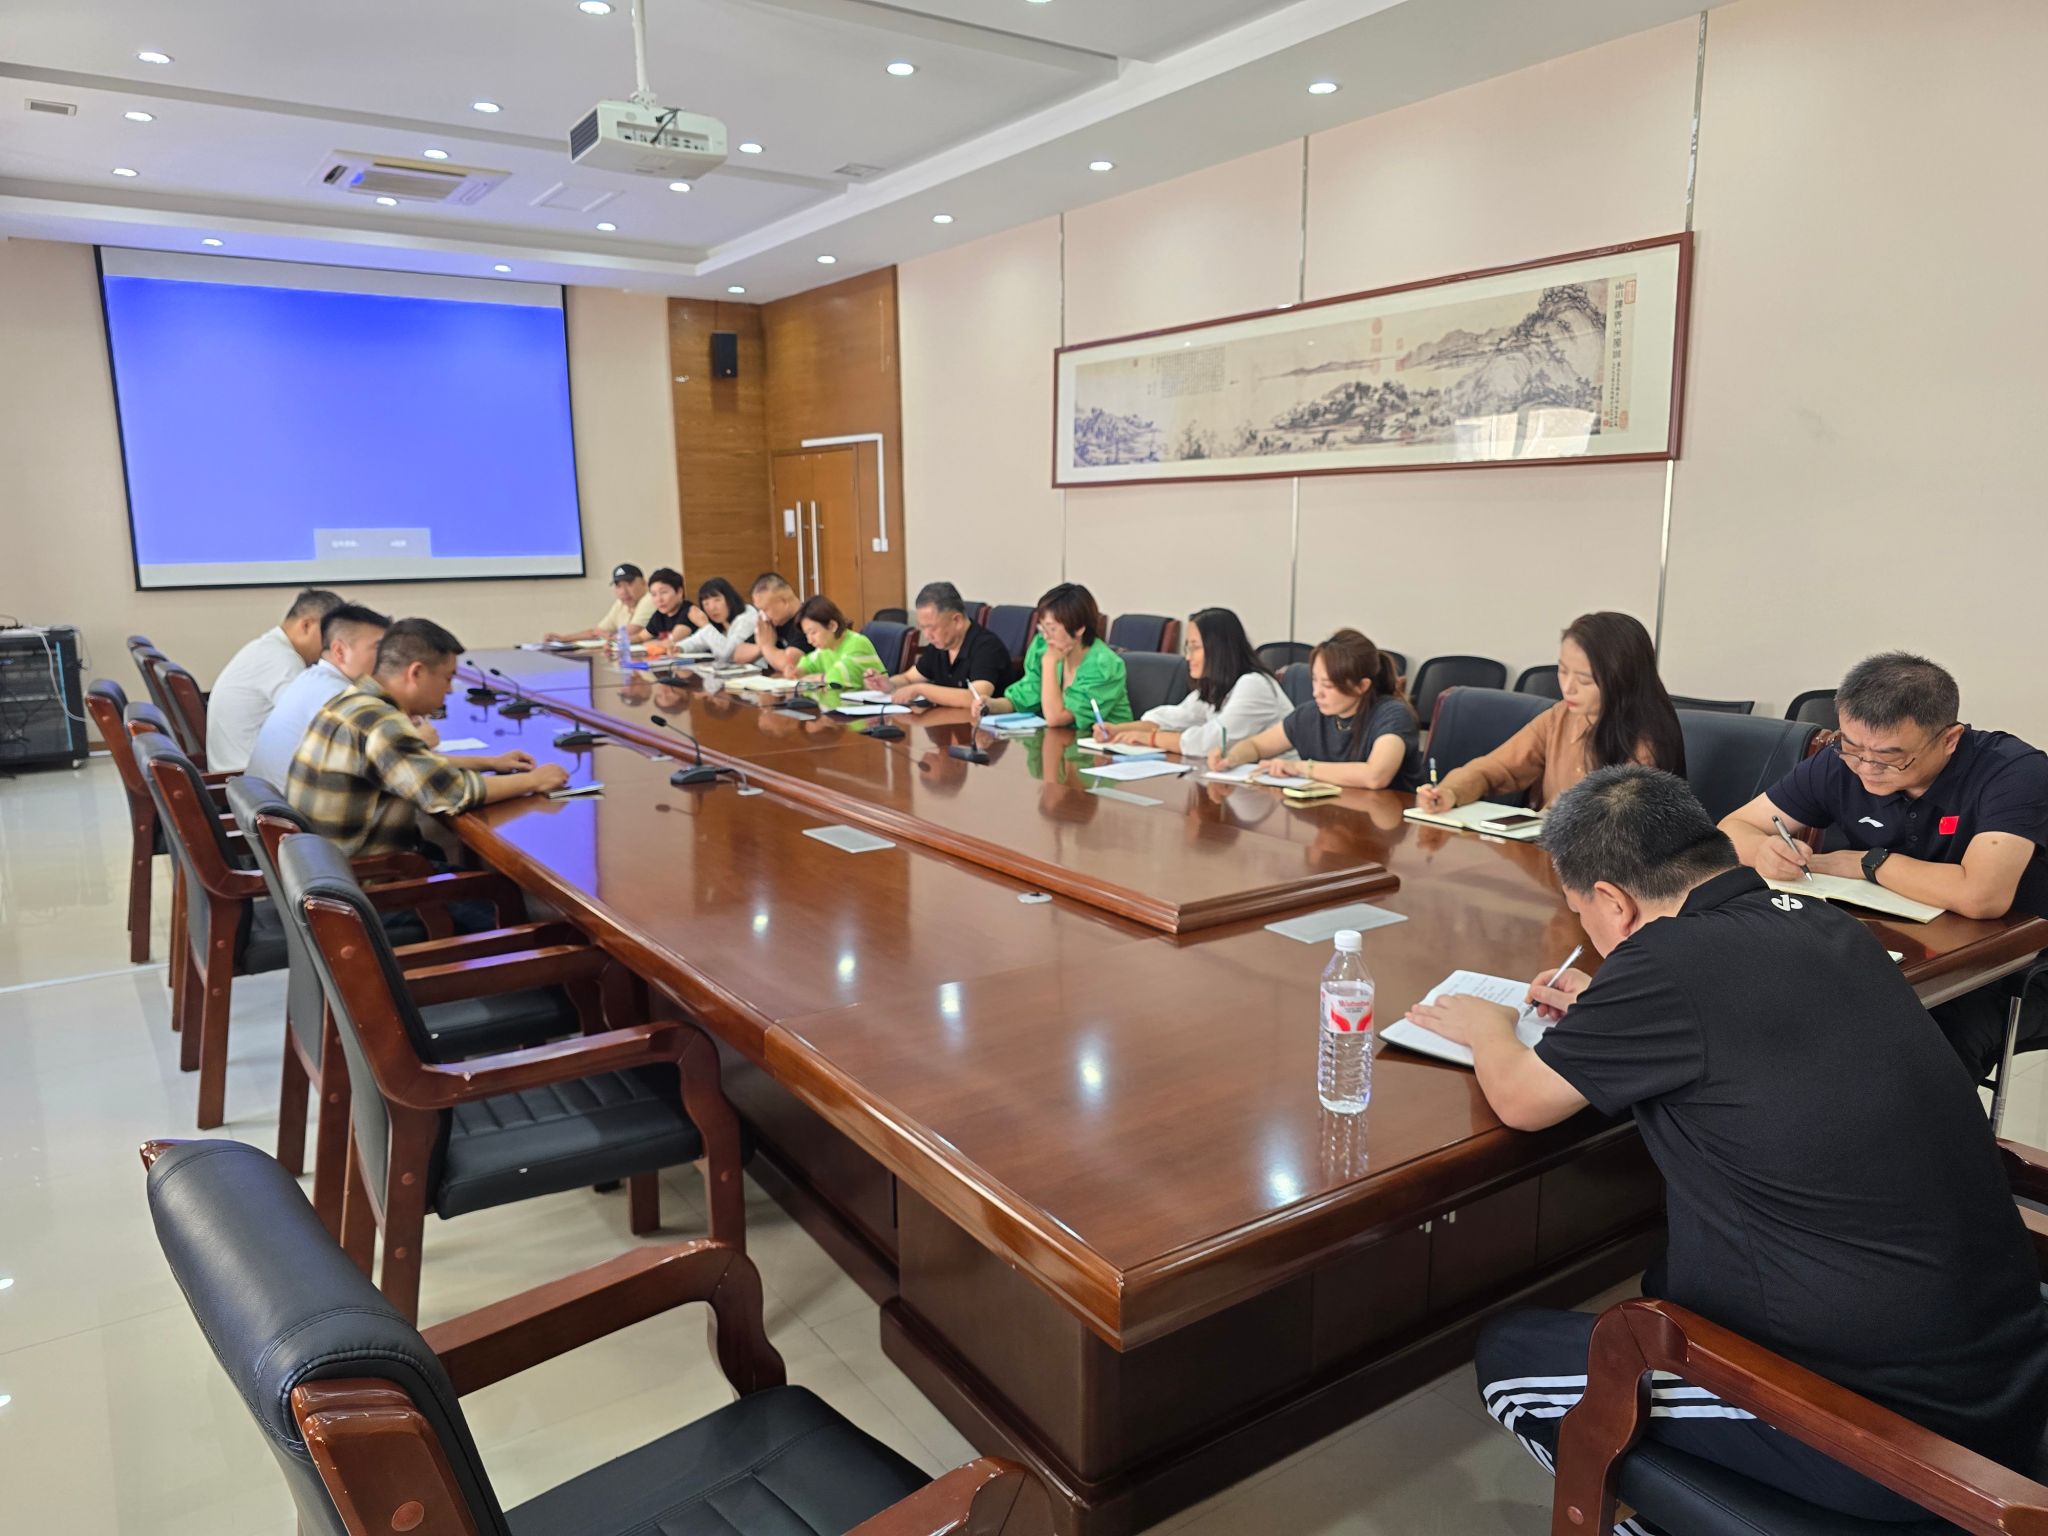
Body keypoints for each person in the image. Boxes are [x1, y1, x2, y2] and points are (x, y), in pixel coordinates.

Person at [1403, 765, 2048, 1525]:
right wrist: (1609, 1007)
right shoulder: (1825, 924)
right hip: (2009, 1376)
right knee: (1663, 1283)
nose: (1591, 933)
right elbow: (1748, 1018)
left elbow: (1522, 1100)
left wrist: (1489, 1027)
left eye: (1582, 914)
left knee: (1513, 1354)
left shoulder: (1662, 963)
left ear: (1613, 900)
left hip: (1891, 1439)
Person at [1719, 651, 2048, 1077]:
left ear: (1950, 739)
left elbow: (1982, 896)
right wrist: (1763, 849)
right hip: (1899, 947)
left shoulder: (2013, 772)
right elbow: (1734, 828)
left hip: (2013, 966)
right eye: (1852, 748)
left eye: (1892, 756)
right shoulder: (1844, 761)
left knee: (1918, 1043)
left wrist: (1868, 863)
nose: (1867, 768)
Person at [287, 618, 567, 857]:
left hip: (328, 872)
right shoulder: (382, 723)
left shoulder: (352, 701)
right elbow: (451, 792)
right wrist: (534, 780)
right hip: (369, 883)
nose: (450, 690)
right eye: (447, 678)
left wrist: (489, 762)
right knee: (500, 888)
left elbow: (410, 765)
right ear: (416, 673)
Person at [1415, 611, 1683, 813]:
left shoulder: (1646, 740)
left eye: (1585, 680)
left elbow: (1619, 826)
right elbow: (1496, 768)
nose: (1567, 687)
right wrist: (1450, 792)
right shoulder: (1560, 716)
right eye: (1562, 671)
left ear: (1621, 680)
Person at [1205, 629, 1419, 789]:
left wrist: (1300, 768)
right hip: (1333, 817)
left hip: (1389, 824)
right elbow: (1257, 746)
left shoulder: (1392, 714)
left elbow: (1375, 776)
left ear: (1362, 686)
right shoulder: (1311, 714)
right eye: (1314, 680)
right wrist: (1232, 757)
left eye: (1328, 685)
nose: (1317, 692)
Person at [1095, 607, 1289, 758]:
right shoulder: (1217, 685)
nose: (1188, 657)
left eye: (1195, 648)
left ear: (1218, 648)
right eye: (1187, 648)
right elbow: (1174, 718)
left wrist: (1152, 738)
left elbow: (1211, 742)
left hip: (1279, 782)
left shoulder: (1254, 685)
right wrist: (1119, 730)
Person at [244, 603, 390, 788]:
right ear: (340, 651)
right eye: (379, 648)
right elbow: (386, 761)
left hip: (264, 799)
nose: (388, 657)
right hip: (287, 804)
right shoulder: (336, 694)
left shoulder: (311, 678)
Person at [206, 589, 344, 772]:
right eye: (329, 636)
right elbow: (318, 727)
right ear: (306, 625)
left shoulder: (268, 650)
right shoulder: (282, 660)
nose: (332, 646)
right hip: (247, 778)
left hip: (241, 775)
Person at [992, 583, 1131, 727]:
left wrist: (1049, 663)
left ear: (1079, 629)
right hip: (1058, 738)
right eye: (1042, 628)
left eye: (1052, 629)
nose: (1045, 636)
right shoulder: (1043, 645)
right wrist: (989, 705)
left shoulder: (1104, 665)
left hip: (1101, 740)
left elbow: (1056, 718)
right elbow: (1024, 697)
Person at [865, 581, 1012, 707]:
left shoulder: (987, 647)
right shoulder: (940, 646)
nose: (927, 635)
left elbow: (976, 698)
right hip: (947, 724)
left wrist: (921, 689)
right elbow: (909, 678)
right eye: (923, 628)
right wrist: (888, 684)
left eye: (932, 627)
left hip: (984, 728)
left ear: (957, 620)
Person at [543, 563, 655, 644]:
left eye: (629, 584)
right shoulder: (620, 604)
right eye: (618, 586)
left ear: (644, 583)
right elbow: (596, 632)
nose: (623, 591)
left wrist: (609, 636)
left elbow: (629, 633)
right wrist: (564, 639)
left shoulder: (650, 599)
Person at [785, 597, 883, 688]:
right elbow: (809, 662)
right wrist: (798, 671)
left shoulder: (858, 643)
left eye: (813, 632)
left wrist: (818, 678)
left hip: (870, 700)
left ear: (832, 626)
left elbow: (838, 678)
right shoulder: (826, 648)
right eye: (807, 634)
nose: (809, 640)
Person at [732, 573, 810, 673]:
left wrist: (766, 646)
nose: (763, 615)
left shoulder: (809, 620)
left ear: (784, 601)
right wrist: (761, 647)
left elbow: (789, 665)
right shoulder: (772, 622)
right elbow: (737, 655)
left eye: (765, 609)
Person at [672, 577, 759, 665]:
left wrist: (704, 625)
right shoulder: (718, 624)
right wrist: (679, 647)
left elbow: (728, 653)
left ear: (730, 599)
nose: (712, 608)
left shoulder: (746, 618)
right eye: (706, 603)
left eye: (717, 600)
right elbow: (696, 640)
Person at [634, 568, 693, 645]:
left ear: (679, 592)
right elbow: (641, 637)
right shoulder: (659, 615)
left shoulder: (690, 612)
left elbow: (671, 641)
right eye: (654, 594)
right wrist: (621, 640)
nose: (659, 599)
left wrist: (648, 644)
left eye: (663, 592)